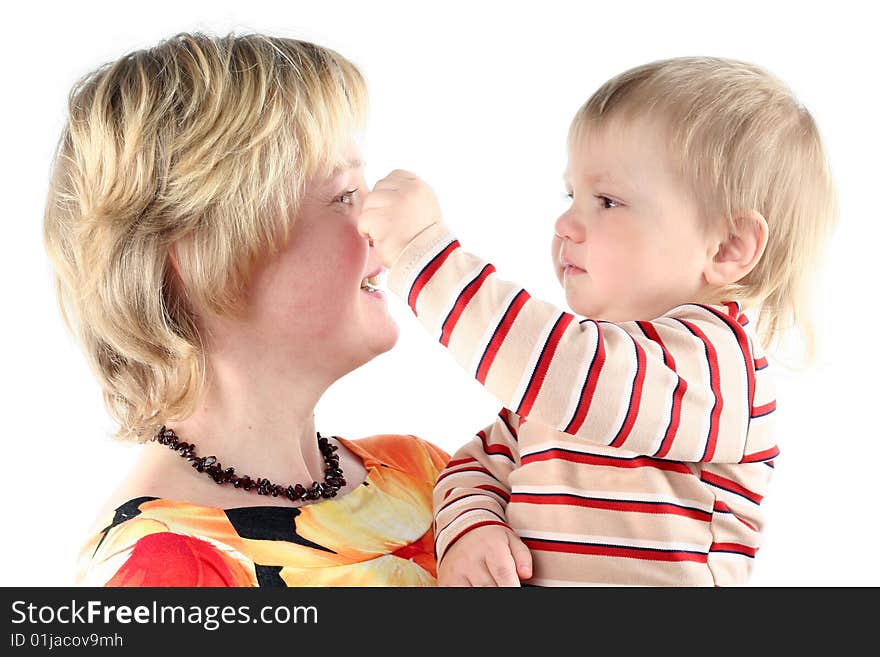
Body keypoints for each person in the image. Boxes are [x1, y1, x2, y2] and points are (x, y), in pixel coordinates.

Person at [359, 56, 837, 586]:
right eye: (572, 196)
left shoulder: (714, 364)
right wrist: (473, 526)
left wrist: (425, 254)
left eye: (607, 201)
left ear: (727, 247)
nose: (566, 222)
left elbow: (559, 366)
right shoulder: (563, 387)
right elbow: (478, 466)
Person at [43, 32, 448, 587]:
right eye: (343, 196)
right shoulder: (165, 572)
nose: (381, 222)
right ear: (204, 251)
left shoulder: (431, 477)